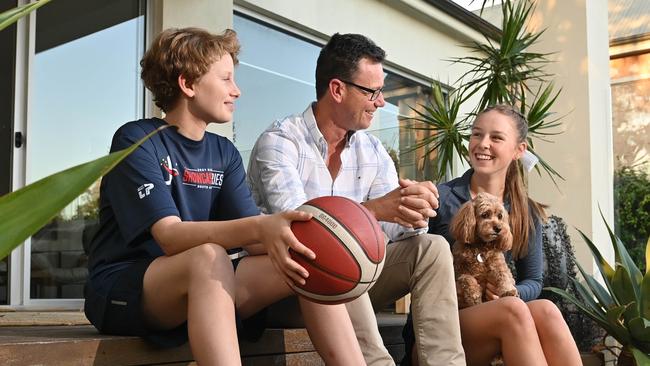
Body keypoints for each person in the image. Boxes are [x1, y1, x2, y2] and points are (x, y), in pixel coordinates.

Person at [83, 27, 365, 366]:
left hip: (204, 285)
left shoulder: (223, 151)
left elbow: (256, 241)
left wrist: (306, 238)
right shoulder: (137, 139)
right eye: (226, 79)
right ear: (188, 84)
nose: (237, 91)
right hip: (126, 288)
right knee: (208, 256)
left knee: (314, 260)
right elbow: (170, 237)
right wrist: (261, 228)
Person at [246, 33, 466, 366]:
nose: (381, 102)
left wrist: (410, 209)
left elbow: (394, 234)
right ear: (337, 89)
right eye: (372, 92)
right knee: (337, 254)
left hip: (356, 287)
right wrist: (376, 209)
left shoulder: (372, 150)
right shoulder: (280, 142)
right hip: (292, 289)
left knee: (432, 249)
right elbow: (300, 233)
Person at [403, 104, 582, 366]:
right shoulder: (440, 198)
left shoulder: (524, 210)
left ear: (519, 150)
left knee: (546, 309)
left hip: (496, 317)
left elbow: (533, 280)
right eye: (477, 134)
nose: (482, 143)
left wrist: (508, 292)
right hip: (437, 332)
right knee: (512, 311)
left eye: (496, 137)